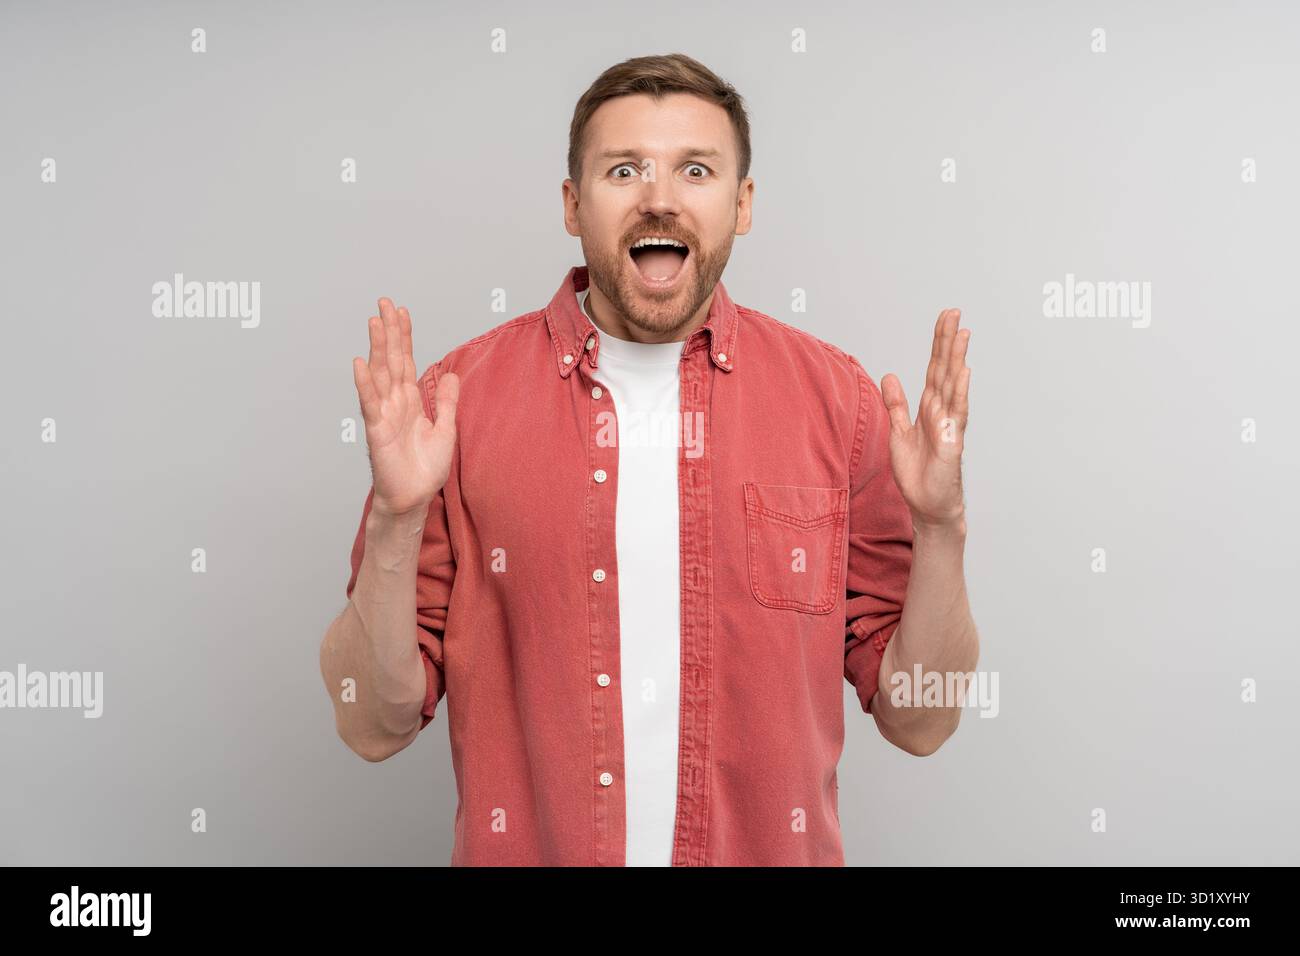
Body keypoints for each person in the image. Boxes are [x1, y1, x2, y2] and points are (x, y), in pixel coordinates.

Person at [319, 52, 978, 866]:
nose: (658, 197)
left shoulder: (836, 404)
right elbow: (370, 723)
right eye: (623, 169)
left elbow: (922, 719)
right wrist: (395, 519)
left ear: (741, 204)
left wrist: (942, 529)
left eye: (694, 170)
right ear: (572, 204)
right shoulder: (456, 405)